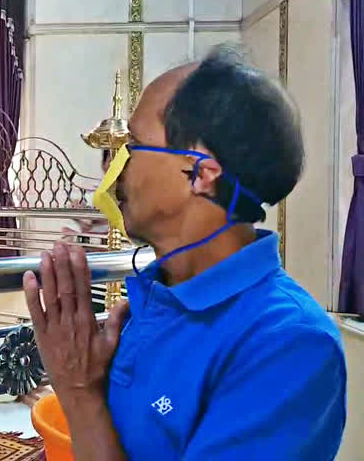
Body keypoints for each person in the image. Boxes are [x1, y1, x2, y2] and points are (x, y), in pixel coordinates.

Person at [23, 45, 346, 460]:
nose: (113, 169)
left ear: (201, 173)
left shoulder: (288, 345)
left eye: (133, 146)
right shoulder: (157, 297)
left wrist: (79, 390)